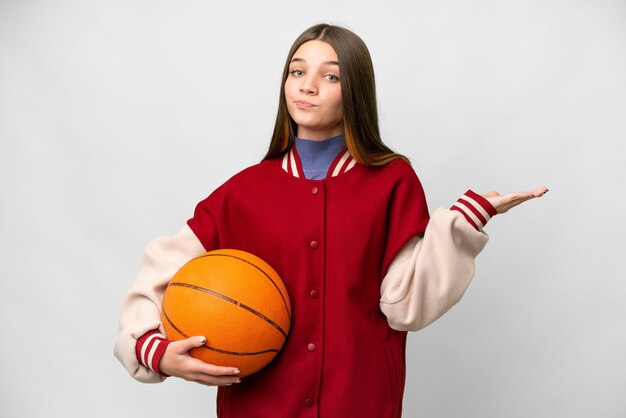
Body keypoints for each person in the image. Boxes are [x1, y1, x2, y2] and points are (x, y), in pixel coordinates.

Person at [114, 23, 547, 418]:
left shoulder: (391, 181)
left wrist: (466, 218)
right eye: (297, 72)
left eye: (331, 76)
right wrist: (154, 350)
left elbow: (404, 304)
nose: (309, 87)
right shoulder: (243, 191)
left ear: (354, 90)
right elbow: (162, 267)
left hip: (361, 404)